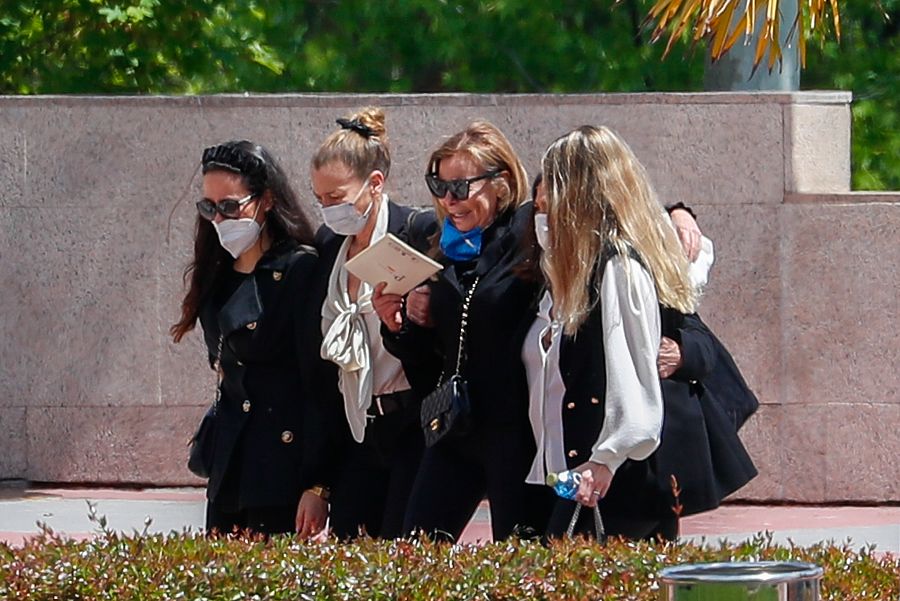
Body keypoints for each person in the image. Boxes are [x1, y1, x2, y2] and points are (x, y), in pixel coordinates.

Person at [374, 121, 554, 542]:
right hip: (455, 423)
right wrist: (401, 327)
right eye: (439, 186)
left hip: (515, 432)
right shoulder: (437, 242)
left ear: (502, 184)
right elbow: (432, 354)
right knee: (415, 554)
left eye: (461, 186)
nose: (449, 200)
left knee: (521, 563)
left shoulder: (529, 232)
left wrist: (679, 214)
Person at [525, 125, 698, 540]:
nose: (546, 206)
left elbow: (632, 377)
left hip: (616, 482)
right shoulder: (590, 267)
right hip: (598, 476)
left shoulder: (619, 267)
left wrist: (606, 457)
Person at [171, 140, 332, 537]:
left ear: (266, 201)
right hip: (230, 459)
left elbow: (321, 384)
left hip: (281, 462)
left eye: (230, 206)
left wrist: (318, 484)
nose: (220, 219)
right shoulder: (216, 272)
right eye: (209, 207)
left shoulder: (299, 269)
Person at [310, 108, 440, 539]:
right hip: (358, 425)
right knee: (353, 554)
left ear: (375, 184)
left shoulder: (415, 232)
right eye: (321, 199)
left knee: (403, 556)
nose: (329, 209)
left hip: (413, 423)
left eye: (337, 197)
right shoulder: (330, 245)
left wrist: (403, 322)